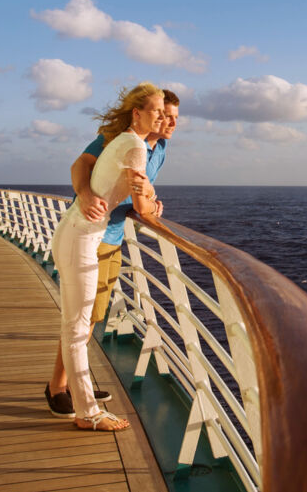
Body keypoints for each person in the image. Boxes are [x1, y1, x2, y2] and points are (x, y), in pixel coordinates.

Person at [43, 92, 180, 419]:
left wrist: (152, 201)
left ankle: (77, 384)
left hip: (112, 236)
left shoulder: (157, 149)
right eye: (164, 114)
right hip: (93, 234)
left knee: (91, 317)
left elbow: (142, 190)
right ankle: (58, 387)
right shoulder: (120, 139)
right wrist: (86, 193)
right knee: (83, 320)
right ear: (143, 113)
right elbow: (81, 165)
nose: (170, 121)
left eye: (174, 117)